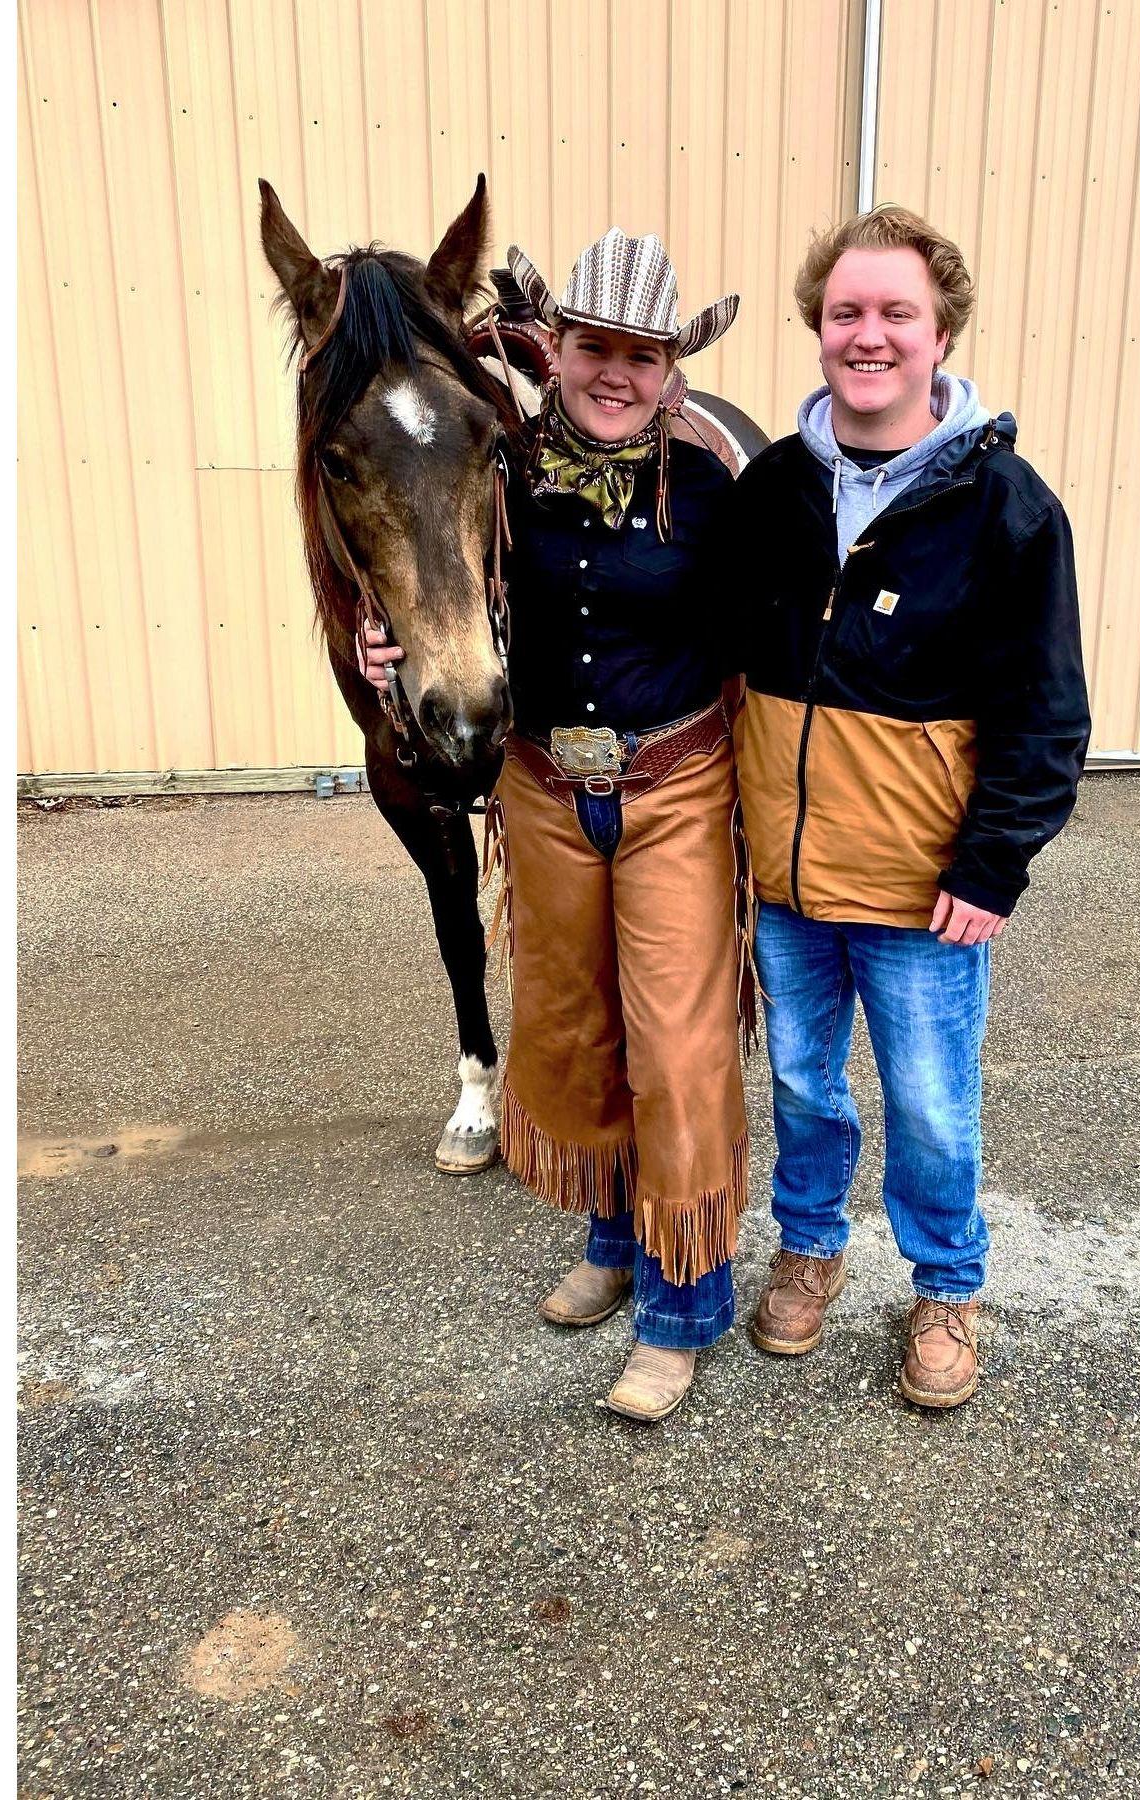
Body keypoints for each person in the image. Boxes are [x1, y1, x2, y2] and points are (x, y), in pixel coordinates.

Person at [364, 229, 748, 1422]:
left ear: (671, 364)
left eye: (641, 354)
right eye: (594, 348)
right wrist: (390, 645)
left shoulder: (715, 478)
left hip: (676, 784)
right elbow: (427, 563)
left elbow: (779, 628)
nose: (615, 373)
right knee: (575, 1022)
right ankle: (613, 1240)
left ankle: (683, 1303)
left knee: (679, 1046)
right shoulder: (503, 468)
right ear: (559, 348)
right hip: (542, 787)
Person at [729, 204, 1090, 1409]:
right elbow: (670, 630)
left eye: (896, 313)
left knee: (932, 1103)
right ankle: (812, 1247)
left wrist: (992, 868)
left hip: (922, 892)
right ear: (816, 328)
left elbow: (1046, 715)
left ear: (943, 332)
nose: (867, 335)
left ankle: (946, 1287)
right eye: (846, 313)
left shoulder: (1006, 507)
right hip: (785, 881)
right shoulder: (773, 487)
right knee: (800, 1086)